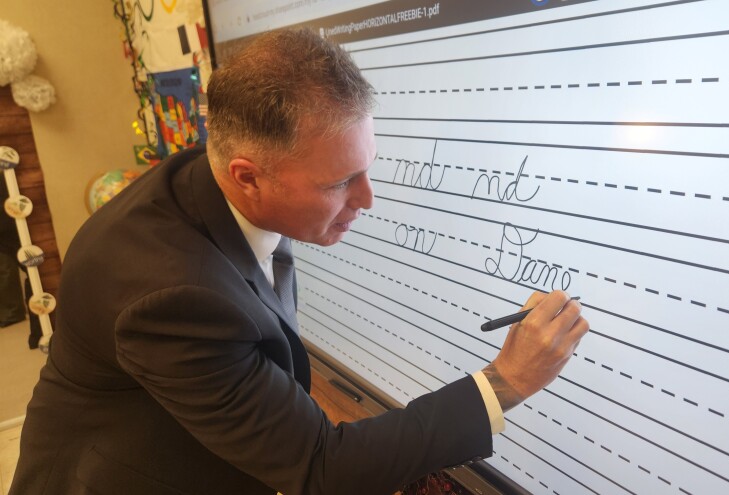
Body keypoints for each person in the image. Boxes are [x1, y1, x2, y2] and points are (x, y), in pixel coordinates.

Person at [10, 28, 589, 495]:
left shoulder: (212, 178)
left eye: (367, 169)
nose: (366, 200)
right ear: (248, 176)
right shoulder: (174, 296)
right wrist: (506, 381)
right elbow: (320, 469)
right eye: (341, 182)